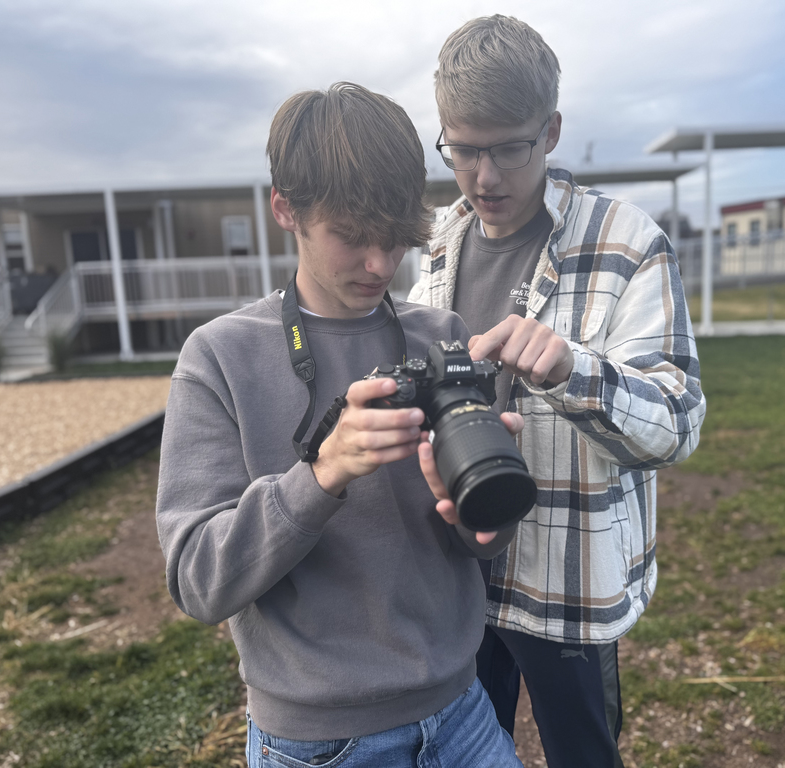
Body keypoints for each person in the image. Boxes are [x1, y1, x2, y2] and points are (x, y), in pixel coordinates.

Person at [156, 82, 525, 768]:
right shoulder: (220, 357)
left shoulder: (441, 336)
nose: (381, 266)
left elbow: (483, 548)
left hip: (464, 715)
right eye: (353, 239)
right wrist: (320, 476)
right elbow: (199, 580)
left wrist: (483, 503)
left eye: (395, 240)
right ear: (284, 210)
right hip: (319, 742)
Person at [408, 16, 706, 768]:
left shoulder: (627, 242)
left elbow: (676, 422)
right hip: (457, 577)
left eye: (510, 147)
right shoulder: (437, 242)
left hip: (568, 588)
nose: (485, 178)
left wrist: (571, 370)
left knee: (585, 756)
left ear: (552, 130)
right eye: (463, 149)